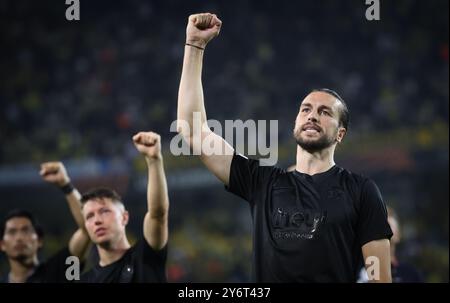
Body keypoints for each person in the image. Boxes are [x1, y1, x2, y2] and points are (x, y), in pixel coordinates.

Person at [177, 13, 393, 282]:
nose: (312, 115)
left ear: (340, 134)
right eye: (306, 109)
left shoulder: (361, 191)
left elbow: (379, 278)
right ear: (296, 122)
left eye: (324, 112)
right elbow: (193, 131)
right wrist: (194, 46)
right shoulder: (263, 183)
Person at [80, 131, 169, 283]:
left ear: (124, 217)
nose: (97, 220)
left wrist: (154, 160)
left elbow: (158, 214)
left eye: (104, 211)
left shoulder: (145, 258)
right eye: (90, 216)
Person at [0, 162, 90, 283]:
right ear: (2, 244)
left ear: (39, 240)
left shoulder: (59, 270)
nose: (19, 237)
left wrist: (65, 184)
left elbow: (88, 227)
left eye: (26, 230)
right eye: (12, 232)